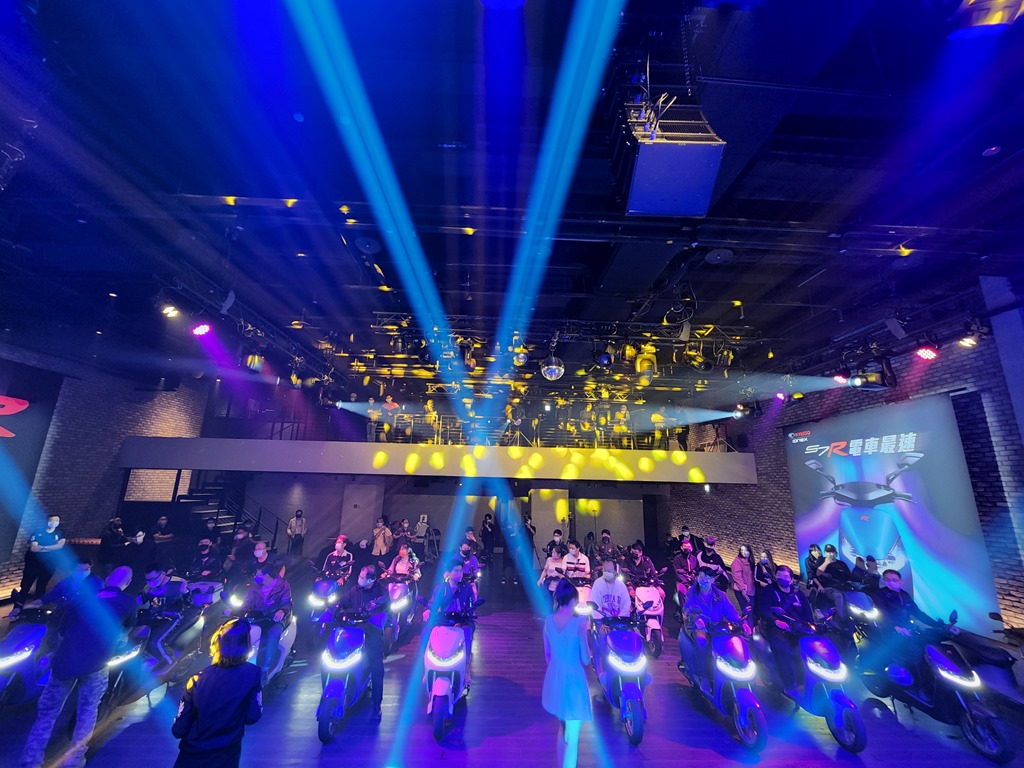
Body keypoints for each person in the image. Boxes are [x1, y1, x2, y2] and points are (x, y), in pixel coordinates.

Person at [19, 566, 136, 768]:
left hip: (64, 663)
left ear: (108, 578)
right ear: (128, 583)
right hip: (95, 665)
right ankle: (74, 760)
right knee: (87, 711)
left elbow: (61, 633)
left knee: (47, 714)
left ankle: (31, 760)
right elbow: (124, 636)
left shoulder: (82, 599)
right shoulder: (128, 603)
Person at [171, 618, 263, 768]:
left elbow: (179, 730)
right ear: (246, 645)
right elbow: (253, 716)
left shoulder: (196, 680)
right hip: (226, 756)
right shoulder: (253, 674)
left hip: (191, 756)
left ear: (217, 643)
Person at [543, 579, 592, 768]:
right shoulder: (579, 624)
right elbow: (586, 659)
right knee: (573, 737)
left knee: (562, 730)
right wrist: (585, 633)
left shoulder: (548, 621)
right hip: (574, 681)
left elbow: (548, 654)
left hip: (555, 678)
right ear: (573, 600)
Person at [337, 566, 387, 720]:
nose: (359, 579)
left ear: (372, 580)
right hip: (354, 630)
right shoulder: (355, 590)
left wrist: (371, 613)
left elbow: (383, 611)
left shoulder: (381, 593)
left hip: (371, 632)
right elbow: (342, 601)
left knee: (376, 667)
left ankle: (376, 705)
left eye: (362, 577)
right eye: (359, 576)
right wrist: (335, 607)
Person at [679, 567, 740, 687]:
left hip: (716, 627)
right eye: (701, 577)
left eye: (707, 577)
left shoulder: (720, 595)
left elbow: (731, 612)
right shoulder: (692, 594)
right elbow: (687, 610)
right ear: (697, 578)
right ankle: (703, 675)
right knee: (702, 642)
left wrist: (741, 622)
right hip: (697, 627)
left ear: (713, 580)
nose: (704, 580)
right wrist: (696, 619)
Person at [757, 565, 812, 695]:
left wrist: (809, 624)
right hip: (777, 628)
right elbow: (764, 609)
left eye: (786, 576)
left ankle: (811, 679)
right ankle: (789, 685)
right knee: (781, 647)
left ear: (791, 579)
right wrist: (775, 621)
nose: (782, 578)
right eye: (779, 576)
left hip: (797, 628)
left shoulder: (798, 594)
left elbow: (808, 613)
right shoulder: (769, 591)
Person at [423, 560, 478, 681]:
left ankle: (466, 669)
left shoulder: (466, 588)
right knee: (426, 632)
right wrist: (428, 610)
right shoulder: (441, 588)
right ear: (448, 572)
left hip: (462, 619)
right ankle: (427, 668)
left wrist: (467, 614)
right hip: (443, 619)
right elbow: (433, 602)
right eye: (456, 571)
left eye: (461, 571)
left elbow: (471, 605)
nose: (459, 574)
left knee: (467, 633)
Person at [241, 564, 293, 682]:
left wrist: (281, 611)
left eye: (258, 574)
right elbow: (247, 602)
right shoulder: (255, 587)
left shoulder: (283, 586)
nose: (256, 576)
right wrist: (238, 610)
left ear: (267, 576)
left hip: (275, 619)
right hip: (258, 618)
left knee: (273, 634)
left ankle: (265, 668)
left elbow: (288, 603)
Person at [16, 514, 66, 605]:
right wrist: (51, 548)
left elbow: (59, 546)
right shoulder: (38, 532)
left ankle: (36, 607)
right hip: (33, 564)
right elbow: (34, 548)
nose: (54, 522)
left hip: (49, 564)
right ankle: (19, 606)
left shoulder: (60, 533)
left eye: (56, 521)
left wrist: (42, 547)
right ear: (47, 521)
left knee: (41, 586)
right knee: (26, 585)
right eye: (52, 520)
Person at [815, 543, 852, 618]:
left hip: (842, 587)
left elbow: (849, 577)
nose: (830, 554)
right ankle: (842, 619)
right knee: (838, 596)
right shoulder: (821, 561)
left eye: (832, 552)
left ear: (836, 554)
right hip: (828, 588)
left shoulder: (841, 564)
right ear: (825, 553)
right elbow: (818, 573)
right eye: (828, 552)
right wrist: (826, 563)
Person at [673, 541, 699, 606]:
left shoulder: (694, 559)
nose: (687, 549)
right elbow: (678, 574)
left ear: (692, 548)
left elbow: (697, 571)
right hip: (682, 581)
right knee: (681, 591)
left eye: (689, 547)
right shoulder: (677, 559)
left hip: (693, 580)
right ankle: (683, 609)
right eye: (685, 547)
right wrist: (687, 585)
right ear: (681, 548)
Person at [731, 545, 756, 612]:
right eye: (742, 550)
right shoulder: (737, 562)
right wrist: (743, 589)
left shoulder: (750, 562)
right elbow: (737, 576)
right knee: (748, 611)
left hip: (751, 590)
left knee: (750, 610)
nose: (744, 552)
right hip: (742, 590)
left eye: (745, 550)